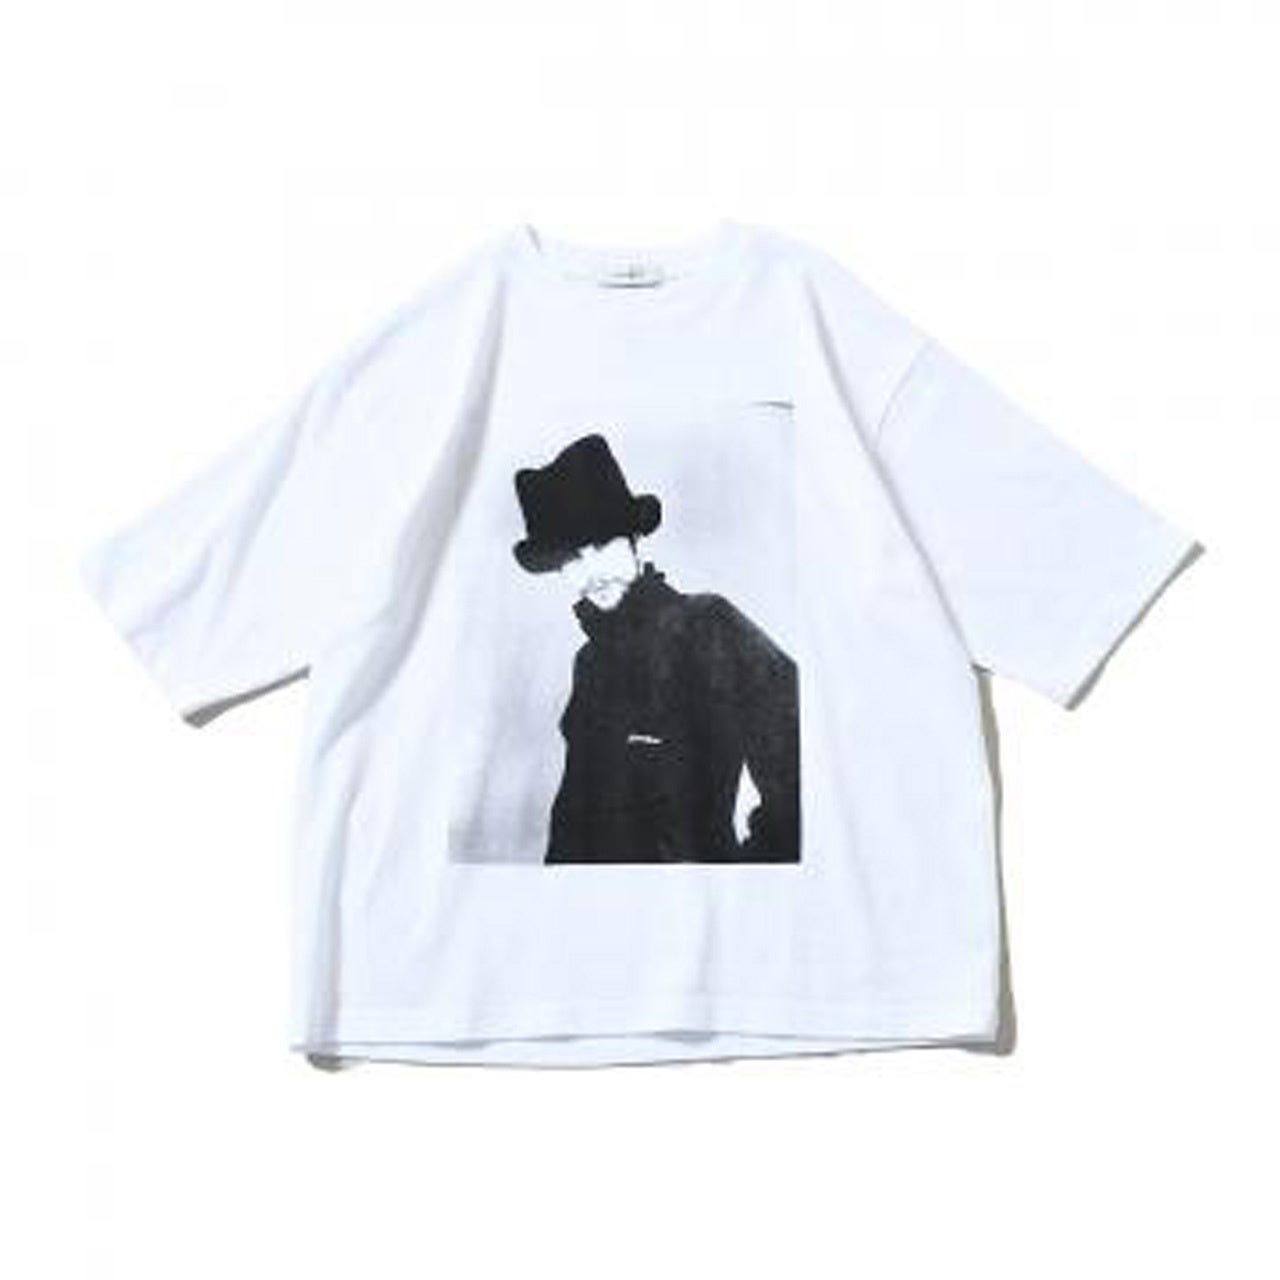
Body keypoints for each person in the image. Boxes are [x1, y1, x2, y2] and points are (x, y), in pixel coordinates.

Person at [512, 432, 801, 864]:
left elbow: (802, 763)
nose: (591, 573)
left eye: (602, 546)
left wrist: (754, 878)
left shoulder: (708, 624)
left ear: (633, 539)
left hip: (694, 902)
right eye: (570, 560)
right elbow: (572, 818)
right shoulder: (589, 663)